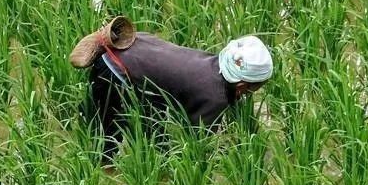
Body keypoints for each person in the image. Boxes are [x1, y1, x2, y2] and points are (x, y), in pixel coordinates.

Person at [84, 32, 273, 164]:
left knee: (156, 131)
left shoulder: (213, 64)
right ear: (241, 87)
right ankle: (103, 167)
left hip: (138, 48)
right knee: (109, 136)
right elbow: (197, 142)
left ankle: (157, 157)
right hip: (115, 69)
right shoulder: (215, 97)